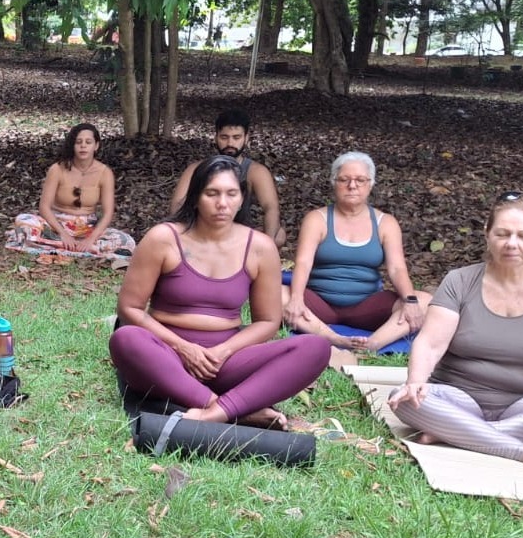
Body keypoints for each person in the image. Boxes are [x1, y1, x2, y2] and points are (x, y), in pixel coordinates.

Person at [111, 156, 328, 428]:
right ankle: (235, 409)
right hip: (169, 356)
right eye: (211, 193)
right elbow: (129, 309)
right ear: (195, 197)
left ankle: (216, 411)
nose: (222, 203)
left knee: (315, 347)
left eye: (231, 194)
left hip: (226, 360)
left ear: (242, 198)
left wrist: (223, 351)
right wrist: (185, 348)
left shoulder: (260, 247)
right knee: (126, 339)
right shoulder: (163, 238)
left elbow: (268, 321)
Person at [389, 192, 523, 475]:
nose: (511, 244)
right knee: (404, 399)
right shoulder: (460, 280)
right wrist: (415, 382)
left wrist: (452, 429)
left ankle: (456, 434)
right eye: (502, 233)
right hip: (457, 399)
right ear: (487, 234)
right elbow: (430, 344)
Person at [284, 152, 430, 355]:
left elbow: (397, 269)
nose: (352, 186)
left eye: (360, 180)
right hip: (318, 304)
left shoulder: (385, 223)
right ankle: (332, 338)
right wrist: (297, 298)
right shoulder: (316, 219)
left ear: (370, 184)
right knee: (276, 293)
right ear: (334, 182)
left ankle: (372, 344)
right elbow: (303, 262)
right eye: (345, 180)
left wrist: (410, 301)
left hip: (366, 306)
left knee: (426, 302)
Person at [7, 123, 135, 259]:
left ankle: (67, 246)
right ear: (72, 146)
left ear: (96, 146)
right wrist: (63, 234)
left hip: (88, 228)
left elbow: (108, 212)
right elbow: (44, 207)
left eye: (88, 142)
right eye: (78, 142)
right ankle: (78, 247)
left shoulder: (105, 173)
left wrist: (90, 239)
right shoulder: (57, 169)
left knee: (125, 241)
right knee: (24, 222)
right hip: (56, 227)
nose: (83, 146)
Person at [168, 109, 285, 247]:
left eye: (236, 137)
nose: (230, 143)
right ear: (216, 137)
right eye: (224, 137)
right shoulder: (197, 169)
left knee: (279, 235)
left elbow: (271, 207)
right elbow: (177, 205)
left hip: (239, 233)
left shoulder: (255, 171)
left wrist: (268, 244)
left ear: (246, 138)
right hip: (202, 230)